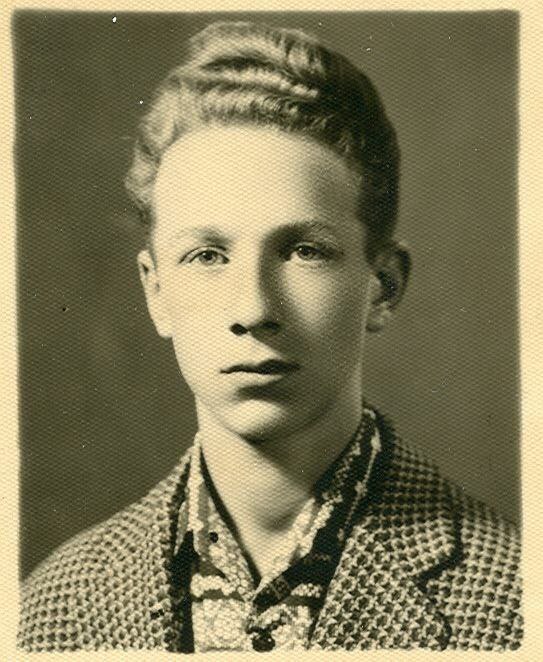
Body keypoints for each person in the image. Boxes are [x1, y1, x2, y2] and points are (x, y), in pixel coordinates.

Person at [18, 20, 521, 652]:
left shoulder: (514, 602)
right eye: (207, 255)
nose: (253, 308)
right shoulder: (53, 610)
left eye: (305, 250)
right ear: (156, 292)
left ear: (382, 286)